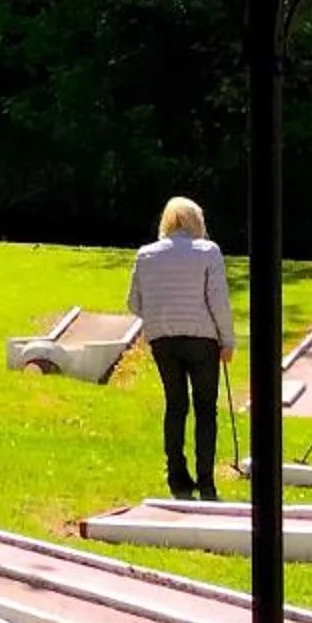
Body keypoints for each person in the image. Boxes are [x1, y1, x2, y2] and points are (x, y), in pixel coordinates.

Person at [127, 197, 235, 500]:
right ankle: (207, 482)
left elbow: (133, 303)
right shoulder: (207, 252)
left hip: (163, 338)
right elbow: (218, 302)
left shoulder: (146, 254)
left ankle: (177, 476)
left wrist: (160, 314)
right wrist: (227, 340)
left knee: (175, 405)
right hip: (202, 339)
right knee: (205, 410)